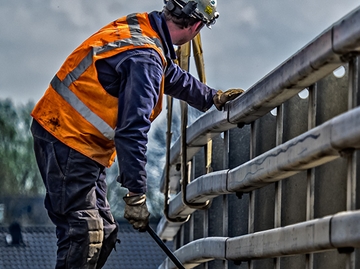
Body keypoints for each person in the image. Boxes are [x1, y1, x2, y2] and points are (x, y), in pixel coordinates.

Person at [30, 0, 244, 268]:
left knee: (104, 233)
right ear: (197, 25)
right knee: (84, 232)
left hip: (76, 138)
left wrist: (212, 97)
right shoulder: (146, 58)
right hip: (67, 137)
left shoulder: (144, 30)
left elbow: (170, 74)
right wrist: (137, 196)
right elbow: (131, 132)